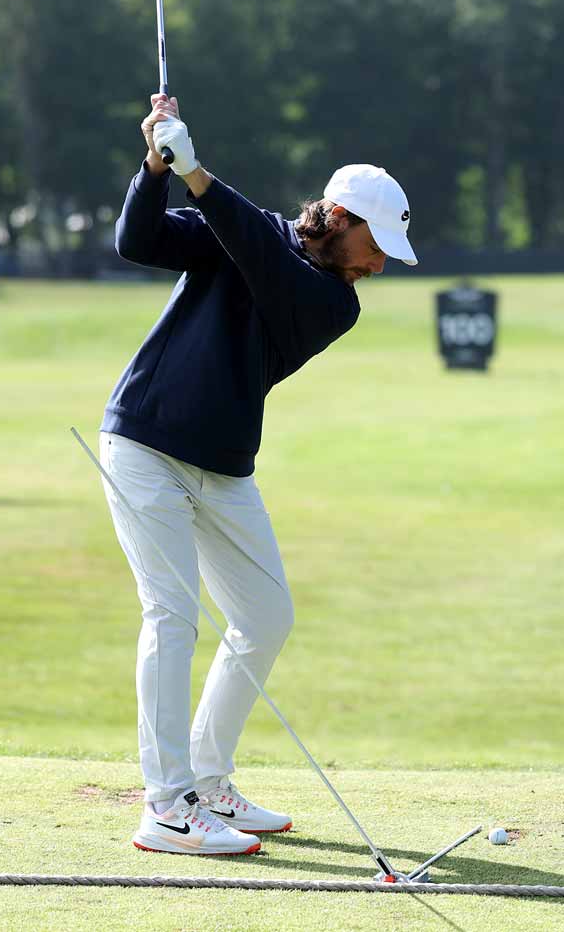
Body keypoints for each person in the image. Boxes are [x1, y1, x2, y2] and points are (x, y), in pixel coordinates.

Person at [100, 94, 415, 854]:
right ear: (340, 218)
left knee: (266, 615)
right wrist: (157, 166)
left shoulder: (333, 303)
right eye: (378, 245)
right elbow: (137, 241)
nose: (379, 265)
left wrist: (198, 173)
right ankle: (168, 804)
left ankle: (209, 780)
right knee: (172, 616)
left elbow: (263, 261)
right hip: (144, 445)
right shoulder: (249, 232)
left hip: (223, 467)